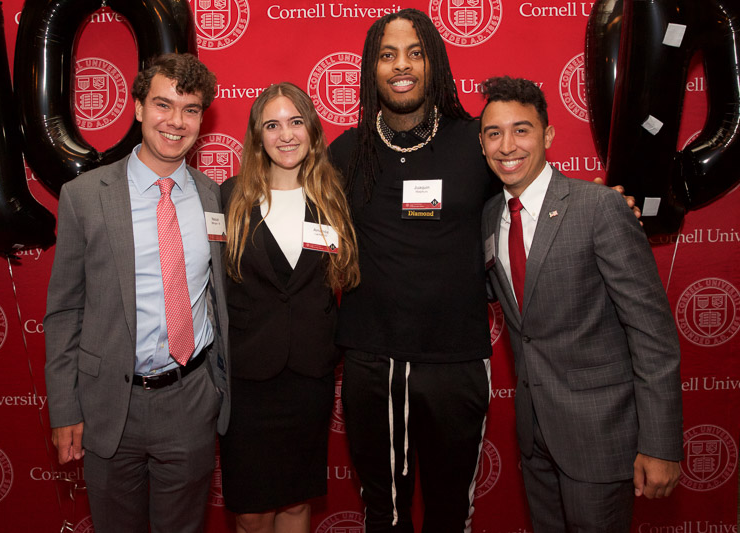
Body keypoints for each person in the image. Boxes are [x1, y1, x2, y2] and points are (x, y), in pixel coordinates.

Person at [478, 75, 683, 532]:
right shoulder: (490, 217)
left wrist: (662, 444)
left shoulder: (599, 208)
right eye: (494, 133)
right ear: (483, 143)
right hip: (534, 438)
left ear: (548, 136)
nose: (507, 145)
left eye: (522, 129)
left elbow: (652, 334)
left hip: (600, 436)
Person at [44, 53, 230, 533]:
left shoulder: (217, 198)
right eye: (163, 105)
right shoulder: (85, 196)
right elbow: (65, 310)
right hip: (109, 403)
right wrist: (65, 406)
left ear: (202, 118)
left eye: (191, 110)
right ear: (139, 108)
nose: (176, 121)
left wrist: (216, 388)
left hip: (189, 399)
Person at [328, 9, 495, 531]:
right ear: (371, 69)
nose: (402, 66)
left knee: (449, 513)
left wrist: (612, 202)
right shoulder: (346, 151)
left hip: (455, 359)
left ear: (435, 64)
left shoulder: (476, 143)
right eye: (387, 54)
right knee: (385, 514)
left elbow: (532, 195)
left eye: (415, 53)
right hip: (372, 362)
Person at [218, 82, 359, 533]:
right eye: (272, 124)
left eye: (296, 122)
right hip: (248, 381)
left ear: (313, 131)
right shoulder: (228, 198)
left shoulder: (335, 199)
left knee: (297, 504)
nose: (286, 135)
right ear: (257, 135)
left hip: (308, 378)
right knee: (252, 512)